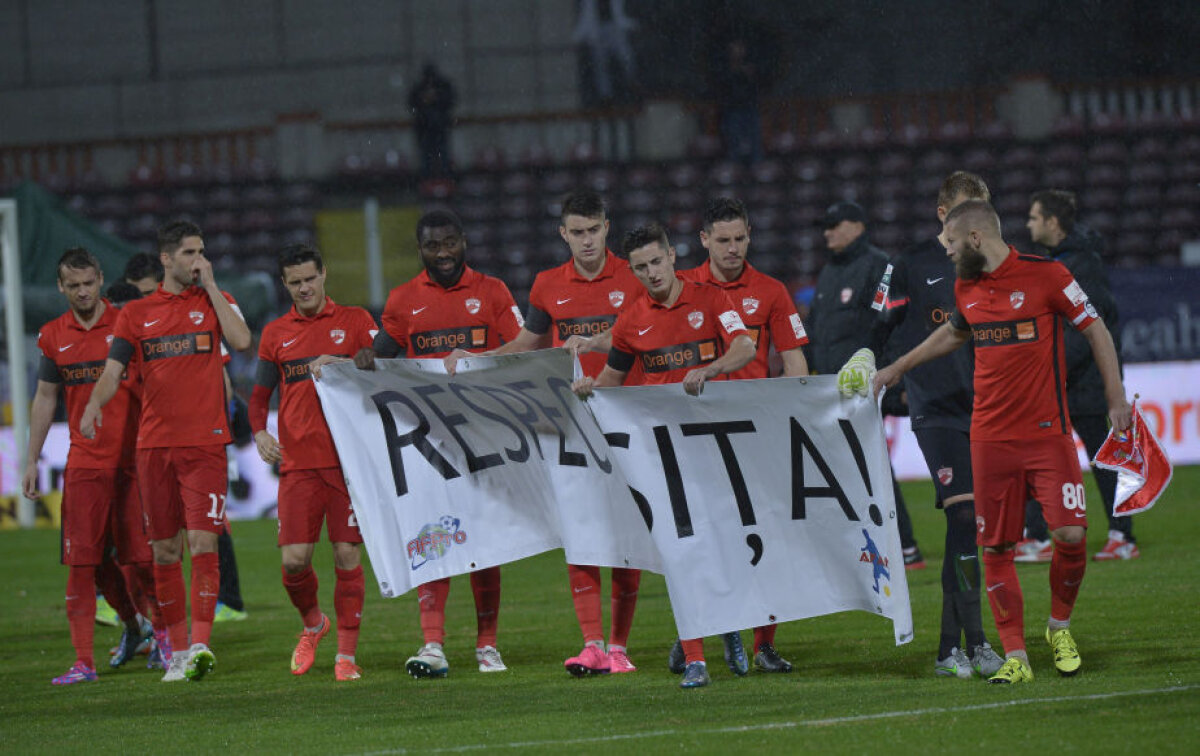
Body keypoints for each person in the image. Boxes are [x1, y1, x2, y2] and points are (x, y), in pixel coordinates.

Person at [873, 200, 1132, 684]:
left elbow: (1095, 328)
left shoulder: (1048, 275)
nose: (945, 251)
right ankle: (1017, 656)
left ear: (974, 239)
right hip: (988, 438)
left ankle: (1059, 627)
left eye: (950, 243)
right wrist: (897, 368)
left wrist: (1115, 396)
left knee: (1071, 536)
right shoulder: (966, 286)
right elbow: (953, 333)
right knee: (995, 546)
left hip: (1046, 435)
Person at [444, 190, 645, 677]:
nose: (586, 240)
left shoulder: (635, 276)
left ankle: (619, 647)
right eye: (576, 232)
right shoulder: (546, 285)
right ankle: (593, 644)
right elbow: (528, 344)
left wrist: (597, 341)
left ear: (606, 227)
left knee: (627, 533)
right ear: (563, 234)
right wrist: (476, 361)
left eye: (593, 229)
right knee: (581, 531)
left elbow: (644, 332)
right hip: (568, 423)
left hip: (627, 417)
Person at [573, 222, 756, 689]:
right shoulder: (632, 319)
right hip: (662, 453)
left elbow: (745, 345)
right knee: (680, 551)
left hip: (716, 445)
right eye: (640, 267)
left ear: (673, 257)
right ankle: (697, 656)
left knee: (721, 545)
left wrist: (711, 368)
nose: (651, 272)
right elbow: (614, 378)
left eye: (657, 262)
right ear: (631, 271)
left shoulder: (712, 299)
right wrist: (590, 388)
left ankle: (719, 622)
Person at [355, 209, 523, 678]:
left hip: (483, 436)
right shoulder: (404, 300)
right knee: (434, 537)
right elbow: (380, 358)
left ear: (464, 241)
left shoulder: (493, 292)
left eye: (450, 242)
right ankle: (433, 644)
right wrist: (361, 360)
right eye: (433, 246)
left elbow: (524, 350)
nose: (444, 253)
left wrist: (474, 360)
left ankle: (487, 645)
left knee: (484, 543)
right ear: (420, 249)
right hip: (428, 444)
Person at [81, 220, 252, 682]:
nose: (199, 260)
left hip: (205, 446)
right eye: (190, 253)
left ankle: (198, 645)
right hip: (154, 448)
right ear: (166, 259)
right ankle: (175, 650)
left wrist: (213, 286)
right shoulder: (136, 314)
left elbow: (240, 341)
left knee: (203, 542)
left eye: (202, 251)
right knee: (164, 551)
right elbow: (113, 371)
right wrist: (94, 406)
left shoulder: (214, 302)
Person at [864, 172, 1004, 679]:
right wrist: (869, 372)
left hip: (990, 410)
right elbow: (876, 327)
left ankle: (954, 648)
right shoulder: (909, 264)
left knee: (974, 531)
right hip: (938, 409)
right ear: (943, 214)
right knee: (965, 521)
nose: (976, 225)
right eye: (967, 211)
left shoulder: (992, 264)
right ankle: (972, 643)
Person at [664, 197, 810, 676]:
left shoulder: (770, 291)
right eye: (722, 240)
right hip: (692, 431)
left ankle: (762, 641)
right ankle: (704, 626)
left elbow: (794, 361)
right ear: (704, 240)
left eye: (740, 238)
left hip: (753, 431)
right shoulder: (681, 286)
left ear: (750, 236)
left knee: (764, 535)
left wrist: (793, 413)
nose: (733, 248)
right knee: (702, 536)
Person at [22, 248, 155, 685]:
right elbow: (45, 398)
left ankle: (168, 637)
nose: (82, 292)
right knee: (85, 563)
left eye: (88, 283)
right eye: (73, 286)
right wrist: (31, 458)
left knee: (141, 558)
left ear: (101, 279)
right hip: (84, 463)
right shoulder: (51, 336)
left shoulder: (128, 323)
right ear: (61, 287)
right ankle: (89, 658)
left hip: (133, 461)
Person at [250, 245, 376, 681]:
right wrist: (261, 432)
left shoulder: (356, 321)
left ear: (324, 274)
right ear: (285, 284)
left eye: (310, 278)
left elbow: (380, 366)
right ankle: (313, 624)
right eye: (295, 282)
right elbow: (259, 397)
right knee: (294, 562)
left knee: (345, 554)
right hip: (299, 465)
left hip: (347, 464)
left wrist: (341, 364)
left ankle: (346, 655)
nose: (304, 288)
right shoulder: (275, 333)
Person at [125, 252, 251, 623]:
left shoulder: (201, 312)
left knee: (209, 527)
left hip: (203, 434)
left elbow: (225, 376)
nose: (142, 300)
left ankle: (226, 600)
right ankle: (172, 619)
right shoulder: (140, 322)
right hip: (159, 439)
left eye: (146, 291)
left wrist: (216, 426)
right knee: (168, 536)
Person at [1019, 190, 1138, 562]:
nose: (1028, 224)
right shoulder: (1065, 261)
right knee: (1040, 454)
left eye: (1034, 218)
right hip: (1065, 378)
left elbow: (1089, 329)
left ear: (1052, 223)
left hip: (1080, 380)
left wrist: (1051, 370)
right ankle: (1037, 536)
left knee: (1102, 460)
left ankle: (1123, 536)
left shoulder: (1080, 265)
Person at [809, 200, 925, 569]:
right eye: (824, 226)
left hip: (866, 385)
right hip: (832, 389)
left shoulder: (878, 266)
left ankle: (905, 546)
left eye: (834, 224)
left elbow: (891, 324)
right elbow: (819, 331)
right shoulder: (829, 272)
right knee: (847, 471)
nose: (827, 232)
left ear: (857, 225)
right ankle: (876, 543)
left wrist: (895, 376)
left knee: (871, 465)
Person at [409, 63, 457, 179]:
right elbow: (411, 104)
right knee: (426, 158)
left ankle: (446, 180)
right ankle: (428, 181)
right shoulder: (419, 88)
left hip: (439, 126)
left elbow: (451, 101)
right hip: (424, 127)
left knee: (443, 155)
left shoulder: (442, 86)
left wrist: (436, 99)